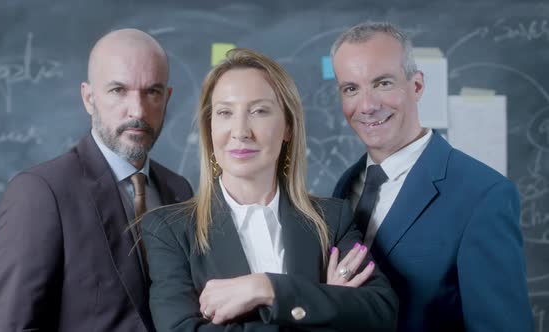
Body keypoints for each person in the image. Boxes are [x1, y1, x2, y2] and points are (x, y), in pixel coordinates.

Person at [141, 48, 398, 331]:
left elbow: (381, 312)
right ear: (210, 126)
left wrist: (266, 288)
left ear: (288, 126)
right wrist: (321, 304)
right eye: (225, 112)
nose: (240, 131)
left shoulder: (331, 219)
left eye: (259, 111)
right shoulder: (169, 230)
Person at [331, 22, 533, 331]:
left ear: (417, 86)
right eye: (351, 89)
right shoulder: (346, 185)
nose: (367, 106)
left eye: (383, 83)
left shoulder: (484, 196)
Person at [0, 29, 193, 332]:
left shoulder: (179, 190)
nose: (137, 110)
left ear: (167, 98)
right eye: (118, 90)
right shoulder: (41, 193)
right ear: (88, 97)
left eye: (152, 92)